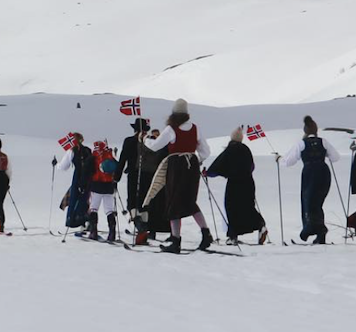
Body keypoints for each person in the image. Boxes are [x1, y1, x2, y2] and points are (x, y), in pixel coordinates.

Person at [140, 99, 212, 253]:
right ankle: (206, 233)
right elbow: (205, 151)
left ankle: (176, 241)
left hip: (176, 166)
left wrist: (145, 139)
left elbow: (155, 146)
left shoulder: (171, 129)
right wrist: (196, 160)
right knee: (190, 201)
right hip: (191, 166)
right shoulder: (195, 128)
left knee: (173, 201)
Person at [278, 116, 341, 244]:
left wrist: (279, 159)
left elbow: (288, 161)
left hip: (310, 173)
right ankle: (319, 233)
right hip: (324, 173)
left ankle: (310, 230)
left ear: (305, 131)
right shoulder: (323, 142)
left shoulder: (301, 143)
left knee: (309, 202)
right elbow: (335, 157)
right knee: (317, 203)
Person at [204, 126, 267, 245]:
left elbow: (218, 165)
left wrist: (207, 173)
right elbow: (252, 167)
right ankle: (261, 225)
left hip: (235, 184)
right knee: (248, 206)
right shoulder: (246, 149)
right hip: (248, 182)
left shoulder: (230, 149)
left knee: (232, 208)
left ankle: (233, 236)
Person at [57, 134, 93, 230]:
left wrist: (56, 164)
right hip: (89, 177)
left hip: (78, 176)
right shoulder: (88, 150)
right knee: (85, 199)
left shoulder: (72, 151)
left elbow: (64, 167)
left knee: (74, 198)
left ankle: (75, 221)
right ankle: (87, 223)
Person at [114, 118, 150, 213]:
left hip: (133, 172)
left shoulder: (129, 141)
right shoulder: (149, 142)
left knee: (132, 197)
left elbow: (122, 159)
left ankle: (135, 218)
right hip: (148, 174)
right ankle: (144, 220)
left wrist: (117, 177)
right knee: (145, 198)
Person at [86, 140, 119, 241]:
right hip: (109, 186)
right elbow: (117, 168)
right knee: (109, 210)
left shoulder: (93, 157)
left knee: (93, 208)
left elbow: (87, 171)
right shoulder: (110, 156)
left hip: (96, 186)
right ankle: (112, 233)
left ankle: (93, 232)